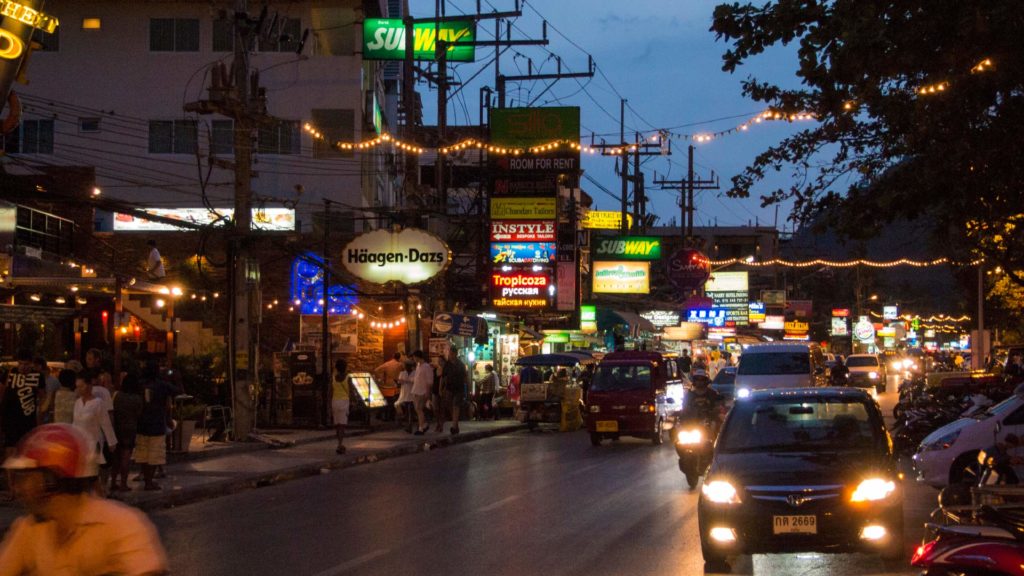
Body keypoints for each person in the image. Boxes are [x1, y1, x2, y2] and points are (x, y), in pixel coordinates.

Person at [0, 423, 169, 575]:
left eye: (27, 479)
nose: (19, 488)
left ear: (50, 481)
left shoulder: (121, 523)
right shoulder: (28, 528)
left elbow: (146, 570)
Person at [72, 371, 117, 494]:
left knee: (91, 476)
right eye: (77, 386)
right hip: (80, 444)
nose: (79, 389)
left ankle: (100, 498)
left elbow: (105, 423)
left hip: (93, 443)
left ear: (89, 386)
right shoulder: (77, 403)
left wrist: (111, 441)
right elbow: (74, 424)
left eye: (81, 386)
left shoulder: (98, 403)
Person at [136, 360, 173, 491]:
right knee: (154, 455)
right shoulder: (162, 385)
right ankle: (149, 482)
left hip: (141, 423)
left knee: (144, 454)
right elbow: (176, 391)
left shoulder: (139, 384)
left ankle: (147, 479)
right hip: (157, 423)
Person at [1, 350, 42, 459]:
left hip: (28, 418)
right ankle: (9, 473)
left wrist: (41, 412)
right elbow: (2, 391)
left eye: (26, 364)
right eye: (20, 363)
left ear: (31, 363)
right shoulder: (10, 373)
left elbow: (43, 396)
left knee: (26, 448)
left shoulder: (37, 376)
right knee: (10, 447)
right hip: (10, 417)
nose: (23, 367)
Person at [112, 373, 144, 492]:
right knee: (126, 457)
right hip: (130, 428)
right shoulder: (137, 399)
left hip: (117, 427)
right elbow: (139, 414)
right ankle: (123, 483)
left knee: (116, 457)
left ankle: (114, 481)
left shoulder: (117, 395)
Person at [679, 369, 725, 435]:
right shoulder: (689, 395)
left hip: (709, 421)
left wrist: (716, 411)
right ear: (694, 381)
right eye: (697, 379)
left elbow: (719, 407)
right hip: (692, 422)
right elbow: (684, 408)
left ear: (706, 381)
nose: (699, 382)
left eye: (702, 379)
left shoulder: (712, 393)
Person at [441, 345, 468, 435]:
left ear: (455, 354)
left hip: (458, 388)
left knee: (456, 406)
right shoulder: (447, 364)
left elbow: (465, 378)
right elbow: (444, 376)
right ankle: (455, 424)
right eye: (450, 353)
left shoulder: (461, 364)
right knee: (449, 405)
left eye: (452, 353)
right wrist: (442, 387)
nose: (450, 355)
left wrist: (466, 390)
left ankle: (454, 426)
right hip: (449, 388)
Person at [329, 358, 350, 454]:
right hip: (344, 401)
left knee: (337, 424)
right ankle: (340, 444)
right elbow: (351, 391)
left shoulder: (333, 378)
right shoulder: (347, 377)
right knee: (342, 425)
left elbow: (331, 391)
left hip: (335, 401)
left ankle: (339, 442)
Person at [373, 352, 404, 421]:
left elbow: (376, 370)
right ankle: (392, 416)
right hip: (396, 385)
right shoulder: (400, 365)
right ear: (399, 357)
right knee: (395, 401)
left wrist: (380, 379)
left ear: (393, 356)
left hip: (387, 385)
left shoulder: (387, 364)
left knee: (387, 400)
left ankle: (384, 415)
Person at [411, 351, 434, 435]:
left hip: (422, 391)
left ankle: (421, 428)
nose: (413, 359)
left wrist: (427, 393)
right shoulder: (418, 366)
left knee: (419, 409)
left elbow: (429, 381)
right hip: (416, 390)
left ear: (418, 357)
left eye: (414, 357)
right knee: (417, 409)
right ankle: (423, 425)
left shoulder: (426, 367)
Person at [34, 356, 60, 423]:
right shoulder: (54, 380)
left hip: (47, 413)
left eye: (35, 366)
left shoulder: (53, 381)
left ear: (39, 366)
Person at [396, 360, 416, 432]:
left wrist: (406, 381)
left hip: (412, 393)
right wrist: (405, 381)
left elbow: (415, 381)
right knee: (407, 410)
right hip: (405, 393)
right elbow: (399, 382)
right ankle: (408, 424)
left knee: (411, 410)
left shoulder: (414, 373)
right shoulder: (402, 373)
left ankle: (410, 425)